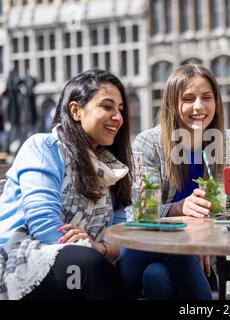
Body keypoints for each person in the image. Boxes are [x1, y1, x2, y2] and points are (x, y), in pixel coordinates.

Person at [0, 69, 134, 300]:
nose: (118, 117)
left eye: (120, 109)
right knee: (87, 264)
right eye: (107, 106)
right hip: (20, 258)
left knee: (148, 261)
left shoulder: (112, 167)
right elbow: (43, 224)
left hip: (82, 258)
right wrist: (90, 248)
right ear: (75, 111)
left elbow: (121, 234)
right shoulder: (44, 147)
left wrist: (99, 247)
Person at [117, 64, 230, 300]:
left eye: (207, 97)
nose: (199, 106)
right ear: (172, 104)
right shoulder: (149, 143)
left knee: (156, 278)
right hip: (148, 248)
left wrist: (204, 238)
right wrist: (180, 209)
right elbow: (140, 214)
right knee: (177, 244)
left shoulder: (224, 143)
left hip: (197, 260)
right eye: (188, 99)